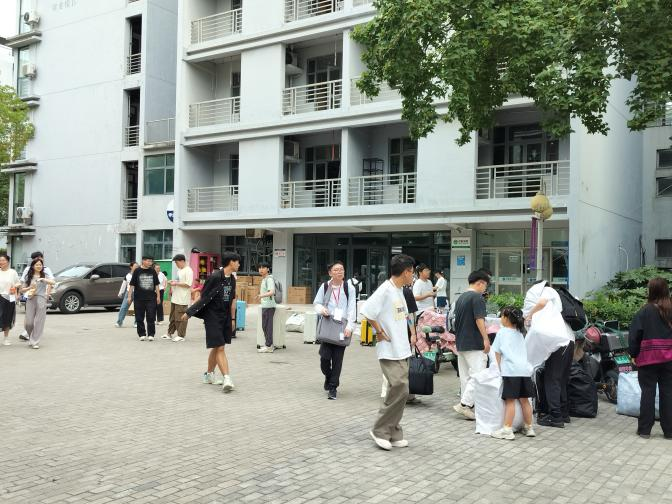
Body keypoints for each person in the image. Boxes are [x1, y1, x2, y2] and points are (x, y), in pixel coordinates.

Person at [362, 254, 416, 450]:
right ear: (406, 272)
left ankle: (393, 432)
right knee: (399, 387)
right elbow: (367, 311)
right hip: (389, 349)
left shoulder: (400, 290)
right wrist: (379, 331)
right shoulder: (385, 290)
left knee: (402, 391)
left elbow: (404, 316)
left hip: (402, 348)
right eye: (412, 272)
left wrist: (412, 334)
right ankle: (380, 430)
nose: (413, 276)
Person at [182, 252, 240, 392]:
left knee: (217, 346)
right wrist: (189, 312)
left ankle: (209, 375)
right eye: (237, 262)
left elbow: (233, 300)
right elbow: (204, 296)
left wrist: (233, 318)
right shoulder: (215, 277)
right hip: (212, 316)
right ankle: (227, 378)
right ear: (231, 262)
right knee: (220, 347)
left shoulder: (232, 279)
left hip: (225, 316)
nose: (239, 264)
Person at [524, 280, 575, 428]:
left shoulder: (548, 291)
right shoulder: (554, 306)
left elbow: (541, 303)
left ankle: (555, 417)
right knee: (561, 380)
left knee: (552, 379)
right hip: (568, 341)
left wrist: (529, 315)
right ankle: (564, 414)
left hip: (559, 343)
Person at [629, 277, 672, 439]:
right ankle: (669, 431)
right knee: (668, 393)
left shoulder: (644, 311)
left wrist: (633, 354)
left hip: (648, 359)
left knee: (648, 393)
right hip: (669, 359)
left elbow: (635, 335)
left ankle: (645, 430)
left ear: (651, 291)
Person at [490, 306, 536, 440]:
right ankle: (529, 427)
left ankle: (507, 429)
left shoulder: (501, 333)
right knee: (525, 400)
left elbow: (497, 353)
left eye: (502, 316)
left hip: (511, 371)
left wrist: (499, 369)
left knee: (510, 401)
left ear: (506, 319)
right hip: (524, 371)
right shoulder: (520, 333)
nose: (500, 318)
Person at [313, 261, 357, 400]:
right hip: (328, 324)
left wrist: (350, 327)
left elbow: (352, 308)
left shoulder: (349, 287)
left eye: (341, 269)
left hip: (342, 326)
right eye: (336, 270)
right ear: (330, 273)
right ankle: (328, 375)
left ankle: (333, 387)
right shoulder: (325, 286)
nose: (339, 272)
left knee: (338, 360)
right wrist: (322, 309)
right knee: (324, 359)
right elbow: (316, 303)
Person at [452, 270, 491, 420]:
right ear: (480, 283)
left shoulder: (461, 298)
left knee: (465, 377)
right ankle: (464, 405)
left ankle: (467, 406)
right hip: (474, 342)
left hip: (461, 342)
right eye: (485, 285)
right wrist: (486, 339)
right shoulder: (477, 298)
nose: (485, 289)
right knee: (478, 375)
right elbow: (479, 319)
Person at [18, 251, 54, 341]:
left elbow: (52, 282)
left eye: (39, 260)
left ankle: (35, 340)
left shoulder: (46, 270)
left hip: (41, 298)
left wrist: (47, 294)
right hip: (30, 297)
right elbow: (22, 284)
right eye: (35, 260)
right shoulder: (28, 271)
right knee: (29, 321)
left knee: (39, 321)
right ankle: (29, 333)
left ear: (42, 259)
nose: (38, 264)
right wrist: (25, 290)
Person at [162, 254, 194, 342]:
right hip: (175, 297)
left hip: (182, 299)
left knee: (181, 317)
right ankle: (169, 333)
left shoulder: (188, 270)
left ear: (182, 261)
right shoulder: (179, 270)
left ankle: (181, 335)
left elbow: (188, 284)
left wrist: (175, 283)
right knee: (172, 317)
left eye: (176, 262)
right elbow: (178, 281)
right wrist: (173, 282)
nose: (176, 264)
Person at [128, 256, 160, 341]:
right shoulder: (137, 271)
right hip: (138, 298)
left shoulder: (153, 271)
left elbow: (156, 284)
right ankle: (141, 334)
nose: (150, 263)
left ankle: (151, 334)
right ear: (143, 261)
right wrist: (129, 296)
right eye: (149, 261)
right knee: (139, 317)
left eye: (151, 261)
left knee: (151, 316)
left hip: (151, 298)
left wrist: (158, 296)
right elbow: (132, 284)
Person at [0, 254, 20, 346]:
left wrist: (14, 286)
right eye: (0, 260)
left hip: (9, 298)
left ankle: (6, 338)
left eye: (3, 260)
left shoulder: (12, 272)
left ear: (8, 261)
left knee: (7, 318)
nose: (1, 262)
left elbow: (18, 283)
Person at [256, 262, 276, 353]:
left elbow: (272, 292)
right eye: (259, 267)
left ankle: (269, 346)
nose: (261, 269)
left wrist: (261, 296)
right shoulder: (264, 279)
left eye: (263, 267)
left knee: (267, 326)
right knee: (265, 326)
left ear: (268, 269)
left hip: (269, 306)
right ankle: (268, 345)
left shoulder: (269, 279)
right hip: (266, 305)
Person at [115, 262, 137, 328]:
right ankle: (119, 322)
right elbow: (124, 284)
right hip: (128, 292)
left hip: (138, 293)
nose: (137, 267)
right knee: (123, 307)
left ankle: (136, 323)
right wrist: (120, 293)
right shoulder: (127, 276)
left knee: (138, 308)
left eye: (137, 266)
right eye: (135, 266)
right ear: (131, 267)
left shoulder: (139, 275)